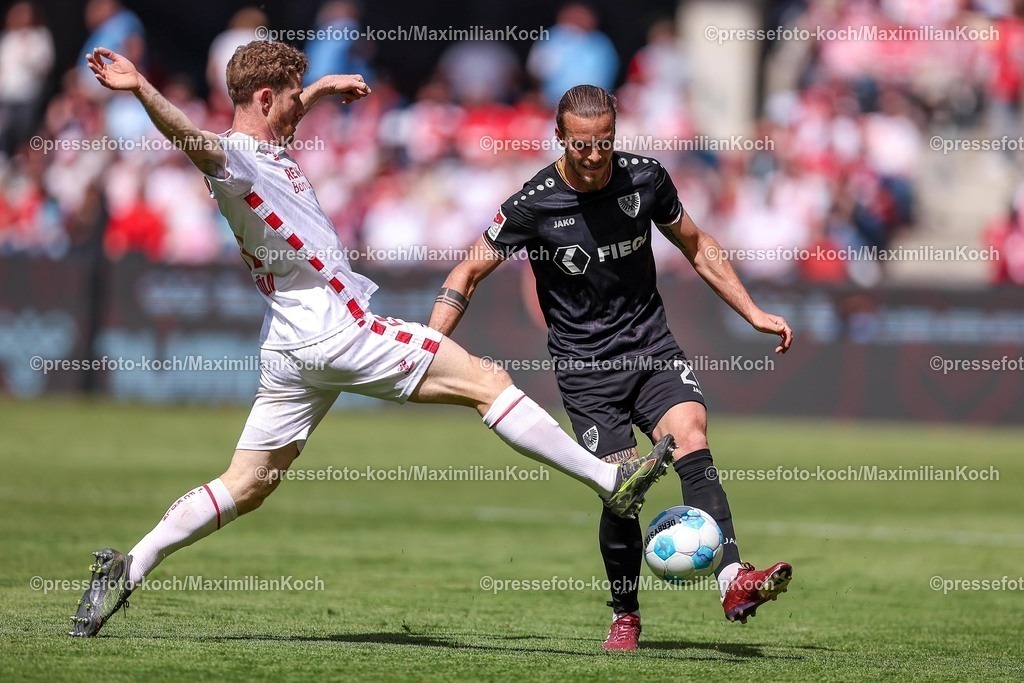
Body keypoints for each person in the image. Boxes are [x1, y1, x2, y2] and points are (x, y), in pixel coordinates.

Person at [69, 43, 673, 637]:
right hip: (336, 329)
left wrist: (319, 89)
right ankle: (609, 480)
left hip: (288, 343)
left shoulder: (264, 144)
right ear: (261, 98)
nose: (295, 113)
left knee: (247, 483)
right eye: (287, 102)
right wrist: (143, 89)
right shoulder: (237, 158)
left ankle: (131, 564)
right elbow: (194, 143)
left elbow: (270, 117)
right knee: (488, 382)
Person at [428, 85, 794, 651]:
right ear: (560, 138)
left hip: (651, 349)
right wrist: (428, 348)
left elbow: (697, 245)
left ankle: (732, 580)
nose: (595, 157)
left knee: (691, 433)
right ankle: (625, 614)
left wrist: (753, 312)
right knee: (622, 486)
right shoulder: (533, 203)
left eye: (604, 144)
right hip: (586, 370)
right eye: (582, 146)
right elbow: (466, 274)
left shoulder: (646, 179)